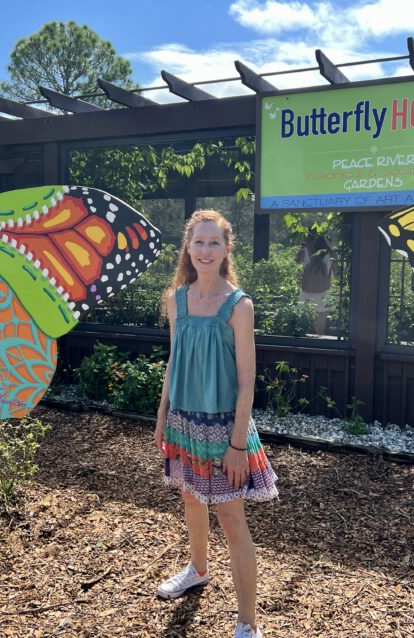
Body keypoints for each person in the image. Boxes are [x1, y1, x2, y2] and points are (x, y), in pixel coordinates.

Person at [154, 210, 278, 638]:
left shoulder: (238, 305)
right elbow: (174, 361)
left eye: (214, 243)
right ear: (187, 247)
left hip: (226, 427)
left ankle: (248, 624)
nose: (205, 250)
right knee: (190, 498)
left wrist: (238, 443)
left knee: (230, 518)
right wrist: (162, 414)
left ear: (227, 249)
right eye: (198, 242)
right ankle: (198, 570)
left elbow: (247, 381)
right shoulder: (177, 299)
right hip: (184, 422)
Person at [295, 232, 336, 335]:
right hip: (323, 293)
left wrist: (303, 245)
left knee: (303, 325)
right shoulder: (330, 254)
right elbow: (337, 274)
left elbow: (297, 261)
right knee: (320, 327)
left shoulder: (305, 251)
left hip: (306, 292)